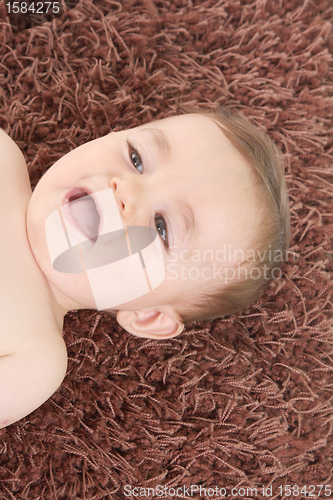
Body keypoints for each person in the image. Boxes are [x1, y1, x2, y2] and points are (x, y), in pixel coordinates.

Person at [0, 106, 290, 428]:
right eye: (136, 158)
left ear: (148, 315)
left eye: (162, 227)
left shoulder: (36, 362)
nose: (126, 191)